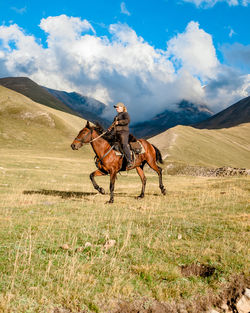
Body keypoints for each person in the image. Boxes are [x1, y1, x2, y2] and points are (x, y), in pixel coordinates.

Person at [108, 102, 133, 169]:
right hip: (116, 133)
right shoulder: (116, 116)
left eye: (118, 107)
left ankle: (129, 161)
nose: (116, 108)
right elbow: (114, 126)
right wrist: (110, 130)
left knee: (124, 144)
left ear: (122, 107)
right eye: (116, 107)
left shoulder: (125, 114)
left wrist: (118, 122)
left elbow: (127, 121)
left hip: (123, 132)